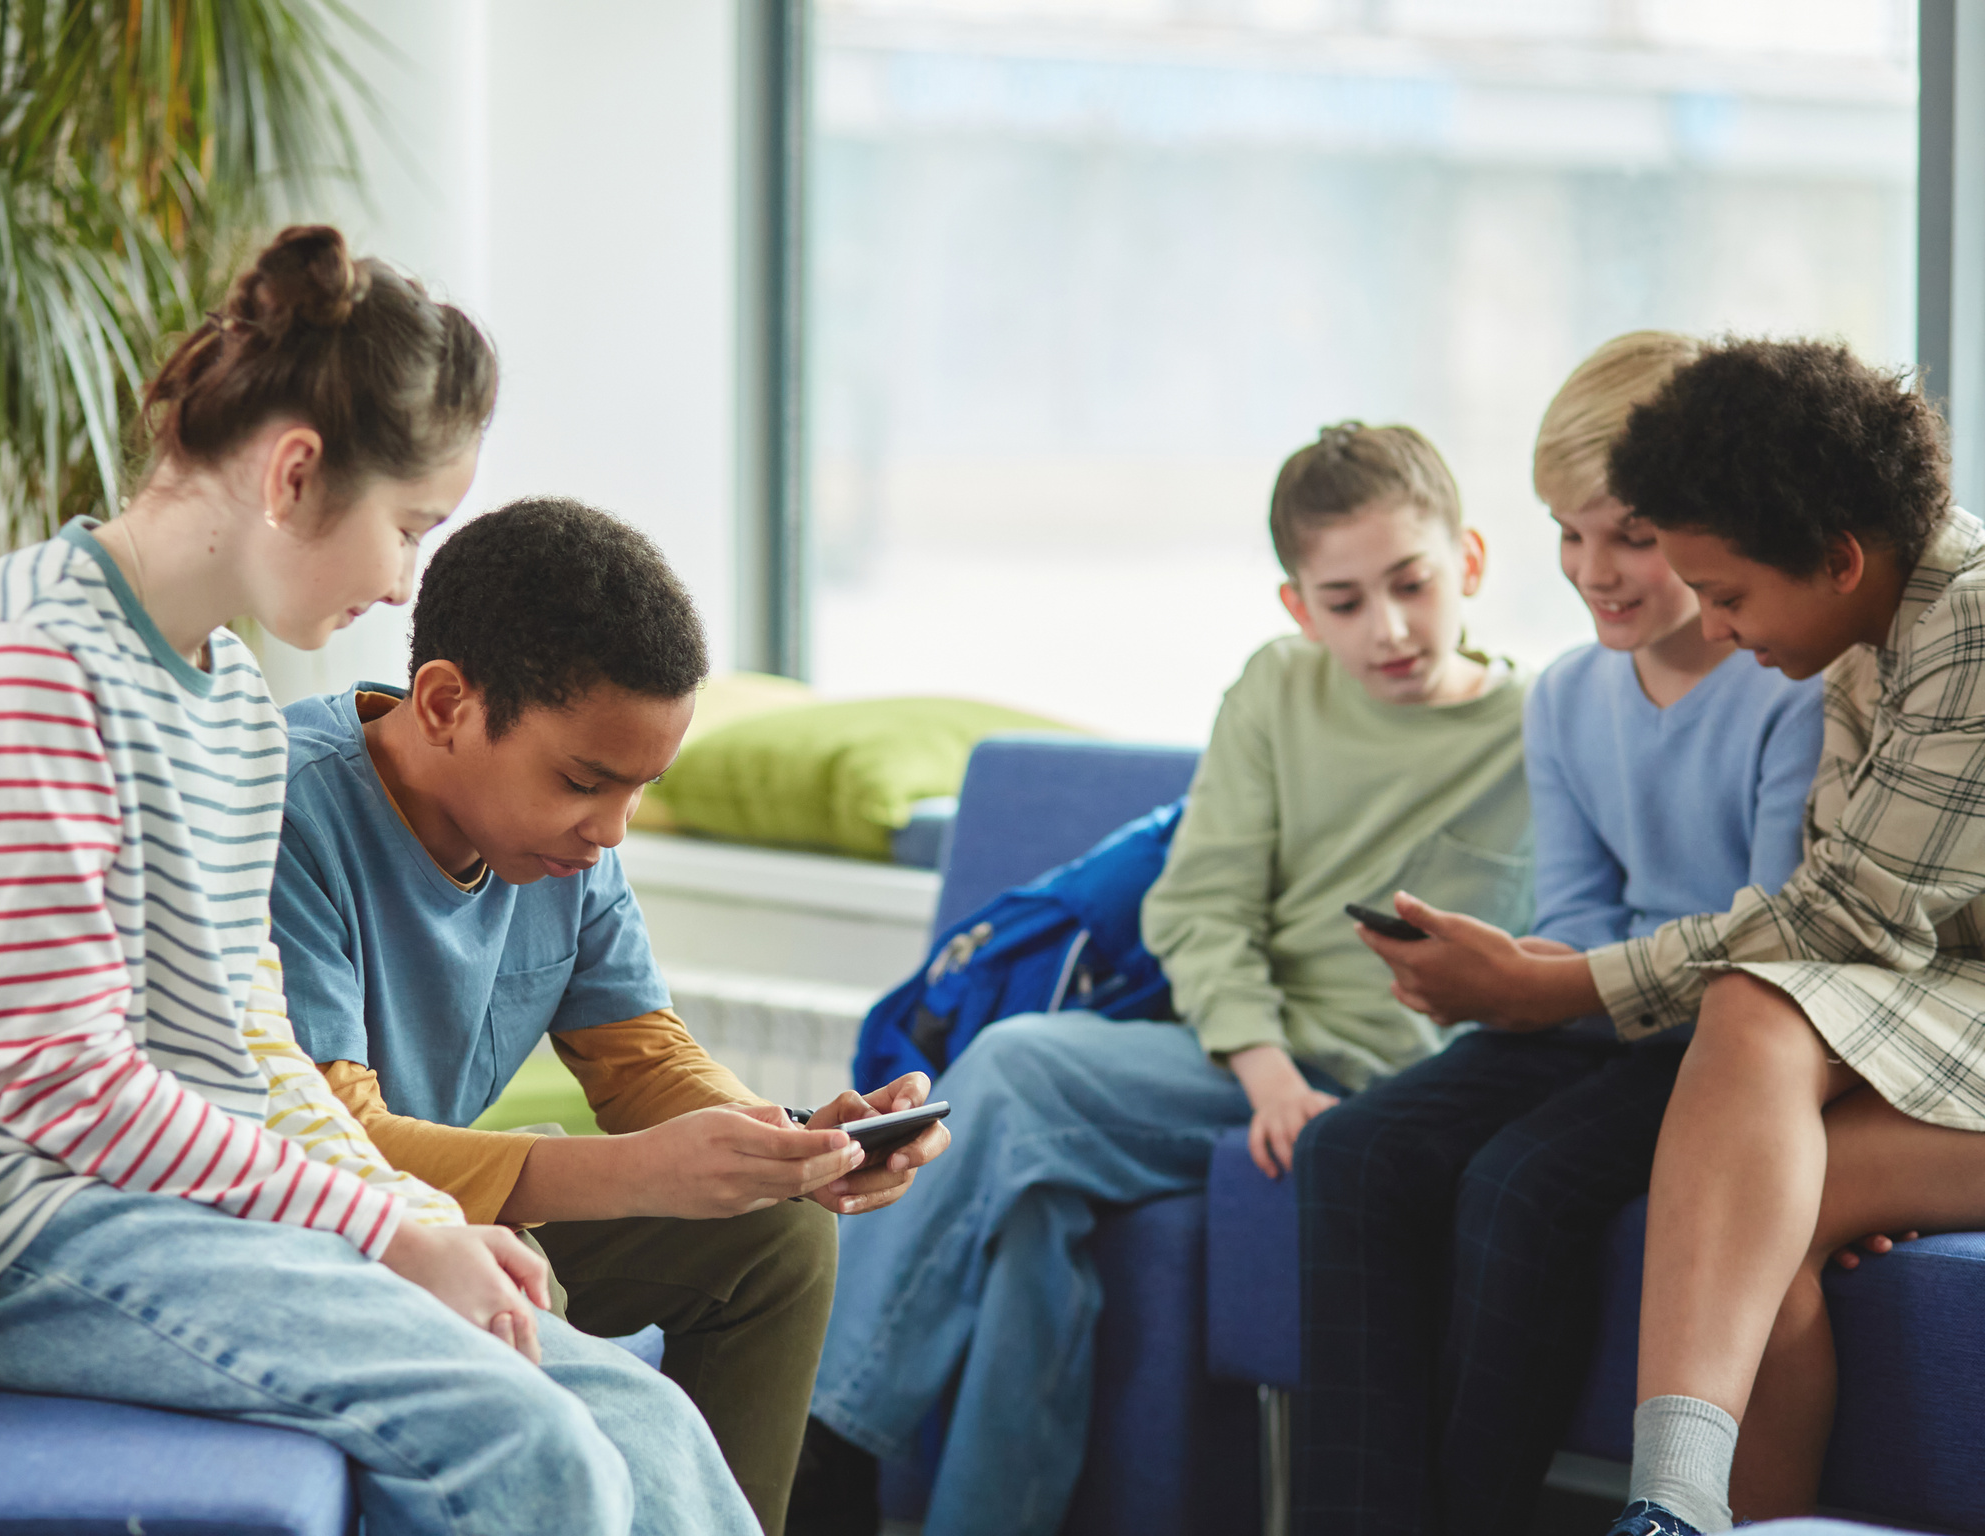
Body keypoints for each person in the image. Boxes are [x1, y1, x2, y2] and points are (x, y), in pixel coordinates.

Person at [0, 224, 759, 1536]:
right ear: (296, 475)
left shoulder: (232, 699)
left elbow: (244, 1042)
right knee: (535, 1452)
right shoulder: (24, 676)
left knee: (641, 1422)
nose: (410, 578)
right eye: (410, 526)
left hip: (147, 1204)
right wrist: (392, 1239)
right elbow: (71, 1091)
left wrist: (408, 1212)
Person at [791, 422, 1536, 1536]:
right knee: (1032, 1179)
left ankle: (824, 1453)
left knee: (1019, 1088)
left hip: (1397, 1094)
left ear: (1469, 563)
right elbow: (1201, 906)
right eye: (1342, 601)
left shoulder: (1540, 728)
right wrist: (1270, 1072)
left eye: (1412, 585)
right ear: (1297, 608)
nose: (1385, 628)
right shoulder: (1278, 690)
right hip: (1236, 1063)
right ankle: (889, 1479)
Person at [1355, 337, 1985, 1535]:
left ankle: (1668, 1509)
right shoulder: (1871, 633)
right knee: (1781, 1204)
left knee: (1758, 1006)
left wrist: (1562, 988)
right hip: (1954, 1019)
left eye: (1733, 594)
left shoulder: (1973, 631)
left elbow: (1840, 922)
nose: (1721, 624)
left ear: (1839, 558)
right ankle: (1708, 1521)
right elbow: (1875, 947)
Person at [266, 495, 951, 1536]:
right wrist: (637, 1170)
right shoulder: (285, 809)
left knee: (777, 1236)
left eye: (641, 789)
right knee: (528, 1271)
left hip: (449, 1203)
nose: (612, 830)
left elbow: (644, 1061)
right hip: (313, 1225)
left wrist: (779, 1143)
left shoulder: (562, 847)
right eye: (587, 780)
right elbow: (332, 1142)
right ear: (446, 703)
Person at [1289, 333, 1825, 1536]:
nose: (1597, 569)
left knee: (1517, 1185)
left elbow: (1770, 947)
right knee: (1352, 1154)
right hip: (1598, 1014)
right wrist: (1491, 974)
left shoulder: (1789, 690)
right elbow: (1581, 920)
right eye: (1570, 535)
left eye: (1632, 535)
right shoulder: (1569, 699)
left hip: (1719, 1047)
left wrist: (1549, 986)